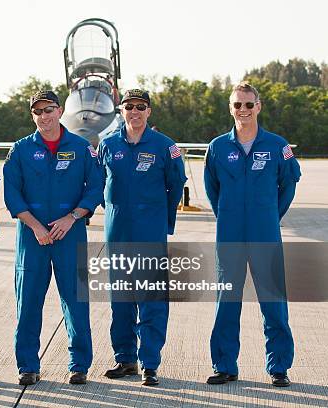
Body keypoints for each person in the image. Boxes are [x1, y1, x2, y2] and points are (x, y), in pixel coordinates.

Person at [3, 90, 104, 385]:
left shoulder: (82, 148)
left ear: (59, 111)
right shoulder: (21, 150)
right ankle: (27, 366)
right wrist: (35, 226)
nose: (43, 116)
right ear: (32, 115)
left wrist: (72, 217)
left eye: (48, 110)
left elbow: (95, 188)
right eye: (38, 112)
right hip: (32, 239)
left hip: (70, 236)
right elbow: (12, 193)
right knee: (28, 304)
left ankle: (79, 364)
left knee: (75, 304)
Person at [204, 82, 300, 387]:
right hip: (229, 236)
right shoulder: (218, 147)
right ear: (230, 108)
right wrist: (228, 216)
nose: (243, 110)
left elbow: (289, 184)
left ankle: (279, 367)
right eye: (237, 105)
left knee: (273, 302)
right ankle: (224, 365)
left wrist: (271, 215)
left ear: (258, 106)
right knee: (226, 301)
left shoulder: (277, 146)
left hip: (265, 235)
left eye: (248, 104)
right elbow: (211, 188)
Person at [98, 89, 186, 386]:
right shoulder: (107, 145)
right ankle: (125, 359)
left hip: (150, 232)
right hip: (118, 232)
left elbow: (175, 186)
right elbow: (99, 184)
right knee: (120, 299)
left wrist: (162, 220)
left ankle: (150, 362)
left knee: (151, 299)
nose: (134, 112)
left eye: (140, 107)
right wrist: (112, 212)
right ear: (120, 110)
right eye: (128, 107)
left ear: (149, 111)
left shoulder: (165, 146)